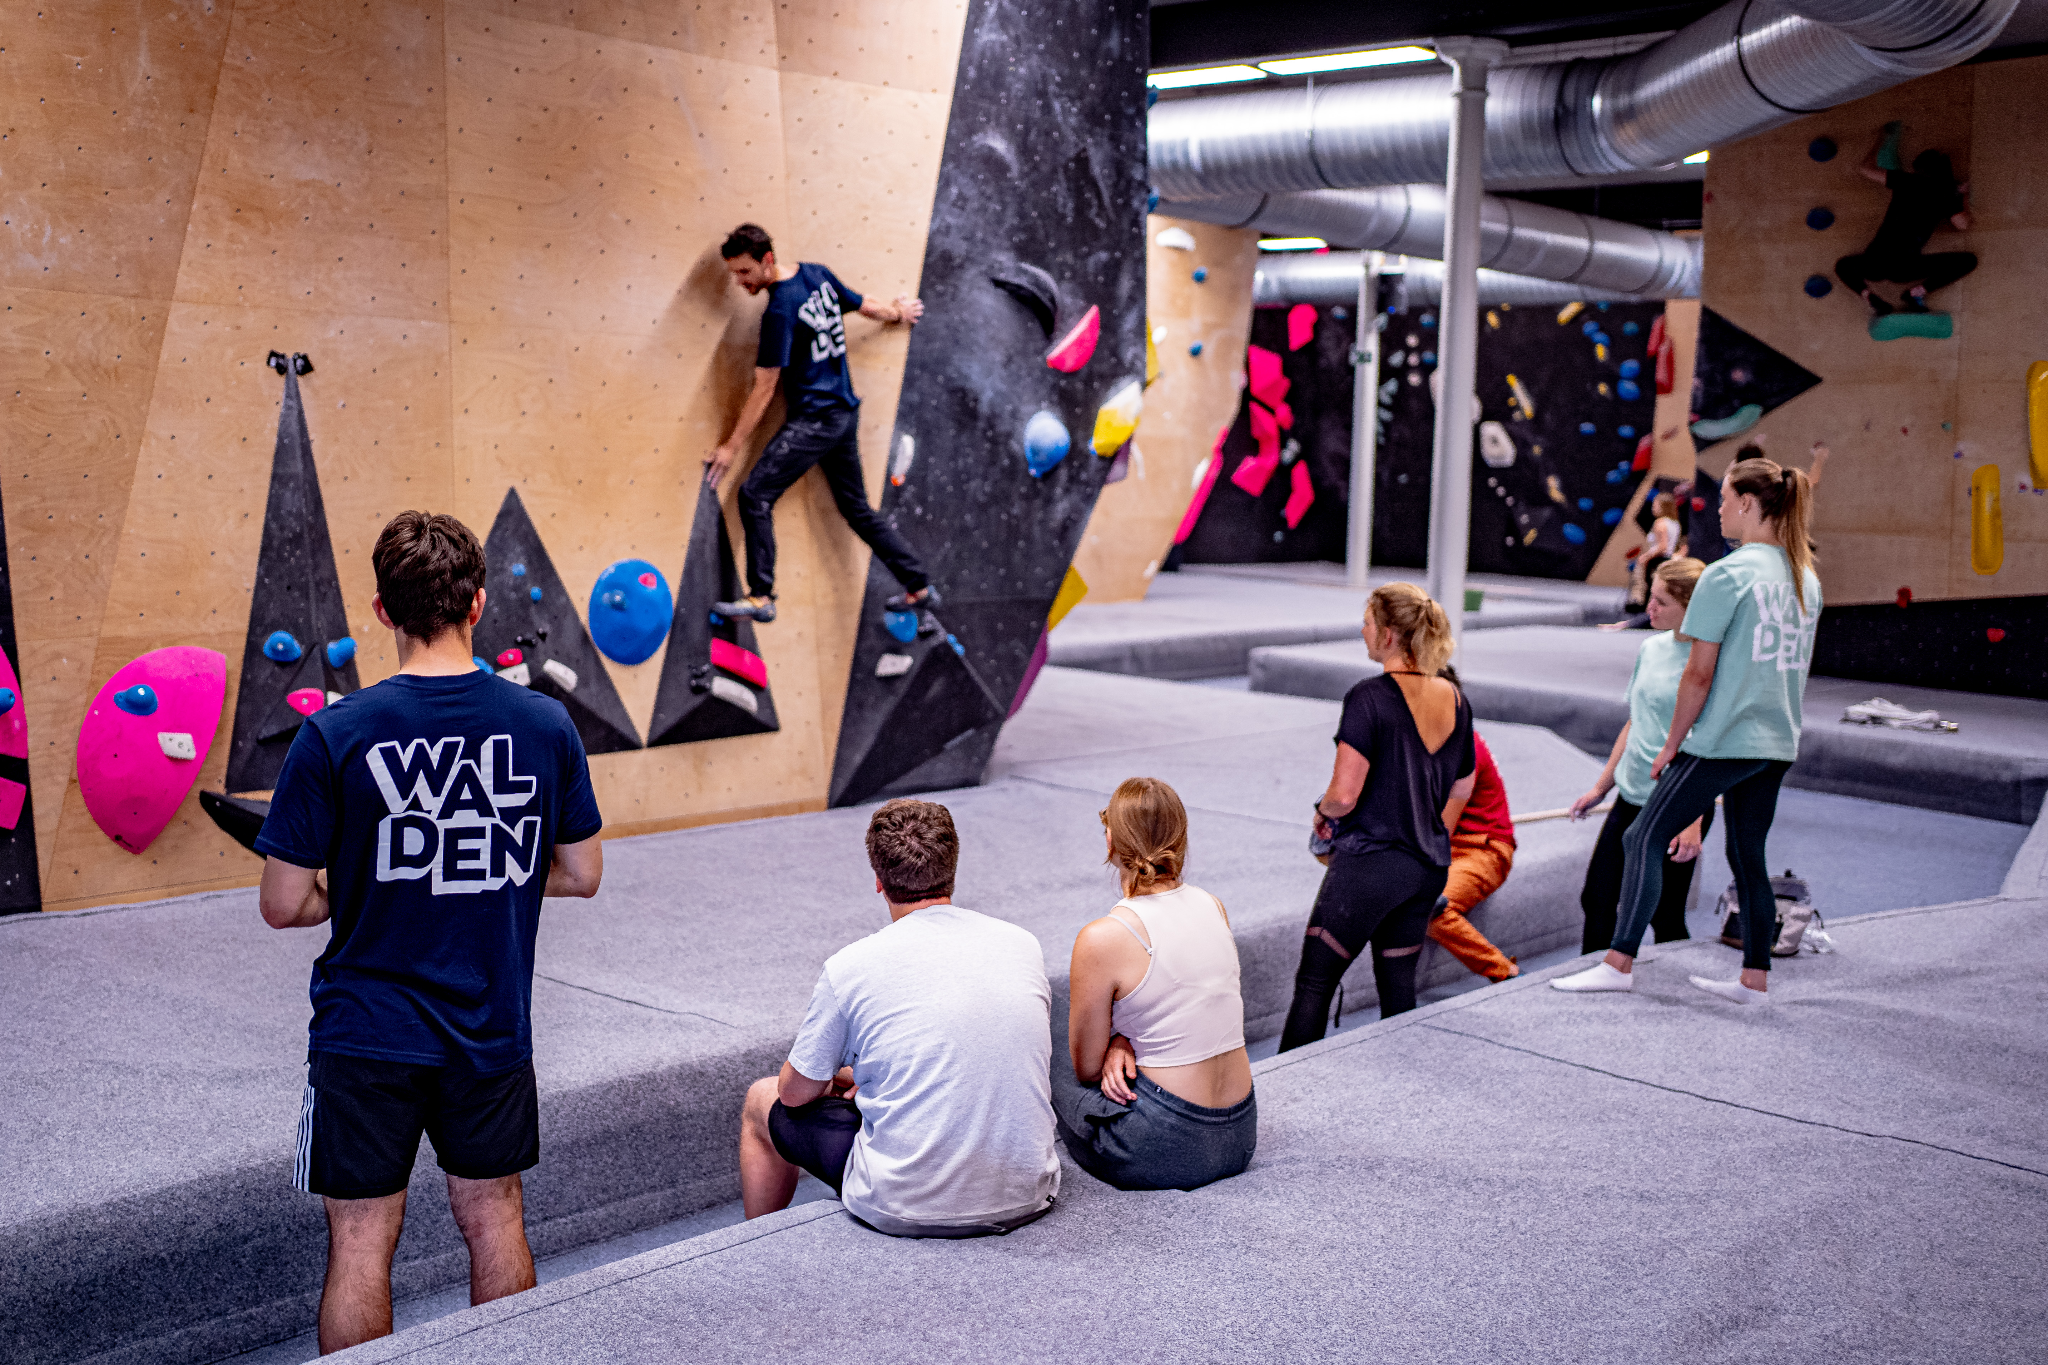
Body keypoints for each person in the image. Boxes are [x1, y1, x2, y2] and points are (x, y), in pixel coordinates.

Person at [255, 511, 605, 1354]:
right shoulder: (545, 725)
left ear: (381, 611)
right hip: (488, 1027)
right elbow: (583, 872)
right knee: (493, 1218)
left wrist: (369, 885)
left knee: (362, 1240)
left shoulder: (333, 733)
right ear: (477, 604)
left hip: (364, 1035)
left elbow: (283, 901)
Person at [1552, 457, 1820, 1004]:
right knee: (1749, 855)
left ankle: (1619, 961)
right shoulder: (1803, 578)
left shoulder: (1731, 572)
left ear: (1747, 504)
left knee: (1641, 835)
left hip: (1725, 737)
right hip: (1777, 737)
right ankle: (1754, 979)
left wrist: (1673, 743)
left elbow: (1699, 674)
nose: (1717, 509)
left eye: (1723, 498)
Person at [737, 799, 1059, 1237]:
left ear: (878, 880)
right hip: (1029, 1191)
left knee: (763, 1098)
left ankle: (755, 1245)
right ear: (952, 868)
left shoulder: (850, 967)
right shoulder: (1022, 944)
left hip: (906, 1206)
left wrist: (840, 1079)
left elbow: (794, 1096)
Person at [1279, 583, 1476, 1051]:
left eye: (1367, 621)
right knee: (1397, 986)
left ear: (1388, 635)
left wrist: (1321, 813)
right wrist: (1428, 833)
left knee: (1314, 984)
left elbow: (1344, 795)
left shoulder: (1368, 697)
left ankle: (1284, 1090)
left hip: (1370, 866)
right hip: (1426, 868)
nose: (1362, 629)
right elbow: (1464, 786)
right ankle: (1396, 1093)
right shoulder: (1454, 697)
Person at [706, 223, 934, 624]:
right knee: (857, 508)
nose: (740, 282)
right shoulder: (818, 274)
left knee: (754, 495)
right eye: (734, 274)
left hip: (816, 421)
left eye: (744, 272)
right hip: (843, 414)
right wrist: (899, 314)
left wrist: (731, 446)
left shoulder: (778, 310)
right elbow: (865, 306)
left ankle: (761, 596)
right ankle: (919, 585)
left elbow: (764, 387)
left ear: (767, 261)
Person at [1063, 778, 1256, 1191]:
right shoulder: (1212, 904)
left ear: (1110, 840)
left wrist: (1116, 1042)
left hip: (1161, 1146)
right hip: (1240, 1135)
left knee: (1050, 1027)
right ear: (1181, 838)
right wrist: (1121, 1039)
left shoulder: (1103, 937)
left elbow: (1086, 1068)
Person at [1570, 557, 1714, 956]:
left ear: (1692, 608)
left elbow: (1711, 744)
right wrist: (1601, 787)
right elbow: (1636, 724)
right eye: (1651, 596)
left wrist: (1694, 819)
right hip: (1632, 793)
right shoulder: (1651, 648)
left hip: (1678, 802)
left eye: (1662, 602)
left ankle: (1677, 1001)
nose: (1649, 608)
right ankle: (1590, 976)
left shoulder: (1712, 663)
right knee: (1597, 899)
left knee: (1664, 915)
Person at [1835, 126, 1975, 316]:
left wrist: (1880, 139)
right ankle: (1915, 293)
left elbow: (1865, 168)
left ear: (1918, 170)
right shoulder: (1944, 195)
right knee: (1967, 262)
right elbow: (1963, 225)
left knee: (1843, 266)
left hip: (1874, 261)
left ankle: (1869, 296)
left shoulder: (1905, 181)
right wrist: (1962, 196)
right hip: (1903, 268)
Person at [1427, 729, 1520, 984]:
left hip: (1482, 848)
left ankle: (1504, 972)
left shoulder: (1463, 747)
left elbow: (1437, 827)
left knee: (1432, 906)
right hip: (1445, 843)